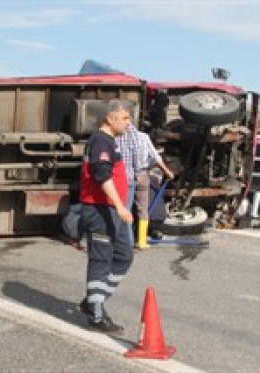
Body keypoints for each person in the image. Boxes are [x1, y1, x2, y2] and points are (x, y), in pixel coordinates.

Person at [77, 99, 134, 336]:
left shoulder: (111, 141)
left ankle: (94, 299)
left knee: (124, 256)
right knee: (101, 260)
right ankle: (97, 315)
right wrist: (121, 206)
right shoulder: (101, 140)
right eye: (125, 118)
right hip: (101, 210)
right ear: (111, 118)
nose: (129, 123)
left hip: (111, 211)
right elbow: (102, 175)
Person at [132, 129, 174, 249]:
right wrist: (167, 172)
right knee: (142, 207)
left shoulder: (120, 137)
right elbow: (156, 157)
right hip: (142, 174)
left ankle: (125, 236)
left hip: (126, 175)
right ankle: (141, 240)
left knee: (126, 204)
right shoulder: (143, 137)